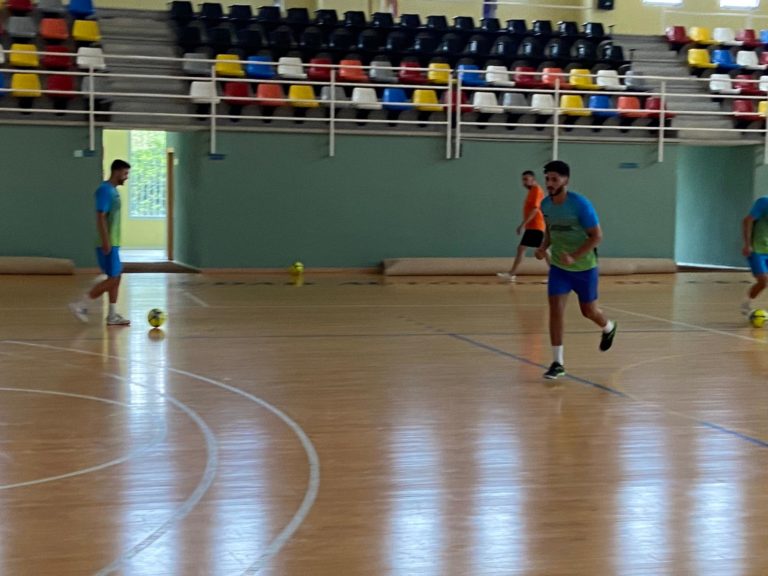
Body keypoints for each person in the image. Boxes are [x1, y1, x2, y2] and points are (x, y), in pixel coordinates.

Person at [534, 160, 616, 379]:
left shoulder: (580, 205)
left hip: (584, 268)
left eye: (555, 179)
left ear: (566, 180)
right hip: (560, 269)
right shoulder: (545, 205)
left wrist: (575, 256)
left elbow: (597, 236)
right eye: (548, 179)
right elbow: (550, 231)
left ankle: (608, 327)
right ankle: (557, 363)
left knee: (588, 311)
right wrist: (543, 248)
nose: (550, 183)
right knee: (556, 311)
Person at [70, 160, 132, 326]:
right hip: (108, 242)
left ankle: (112, 315)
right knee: (113, 278)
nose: (126, 177)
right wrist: (106, 241)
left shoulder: (113, 191)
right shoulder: (105, 190)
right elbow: (100, 216)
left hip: (114, 242)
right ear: (117, 171)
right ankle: (81, 304)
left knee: (116, 276)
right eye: (125, 173)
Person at [498, 170, 549, 282]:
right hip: (532, 226)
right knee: (524, 249)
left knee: (541, 250)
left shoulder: (536, 190)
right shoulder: (532, 191)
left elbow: (535, 209)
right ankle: (512, 274)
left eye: (526, 179)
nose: (524, 182)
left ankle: (556, 275)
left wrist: (522, 224)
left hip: (536, 225)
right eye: (523, 180)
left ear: (533, 179)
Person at [741, 195, 768, 316]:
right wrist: (747, 244)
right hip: (757, 249)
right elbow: (747, 220)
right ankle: (746, 305)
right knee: (763, 281)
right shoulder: (764, 202)